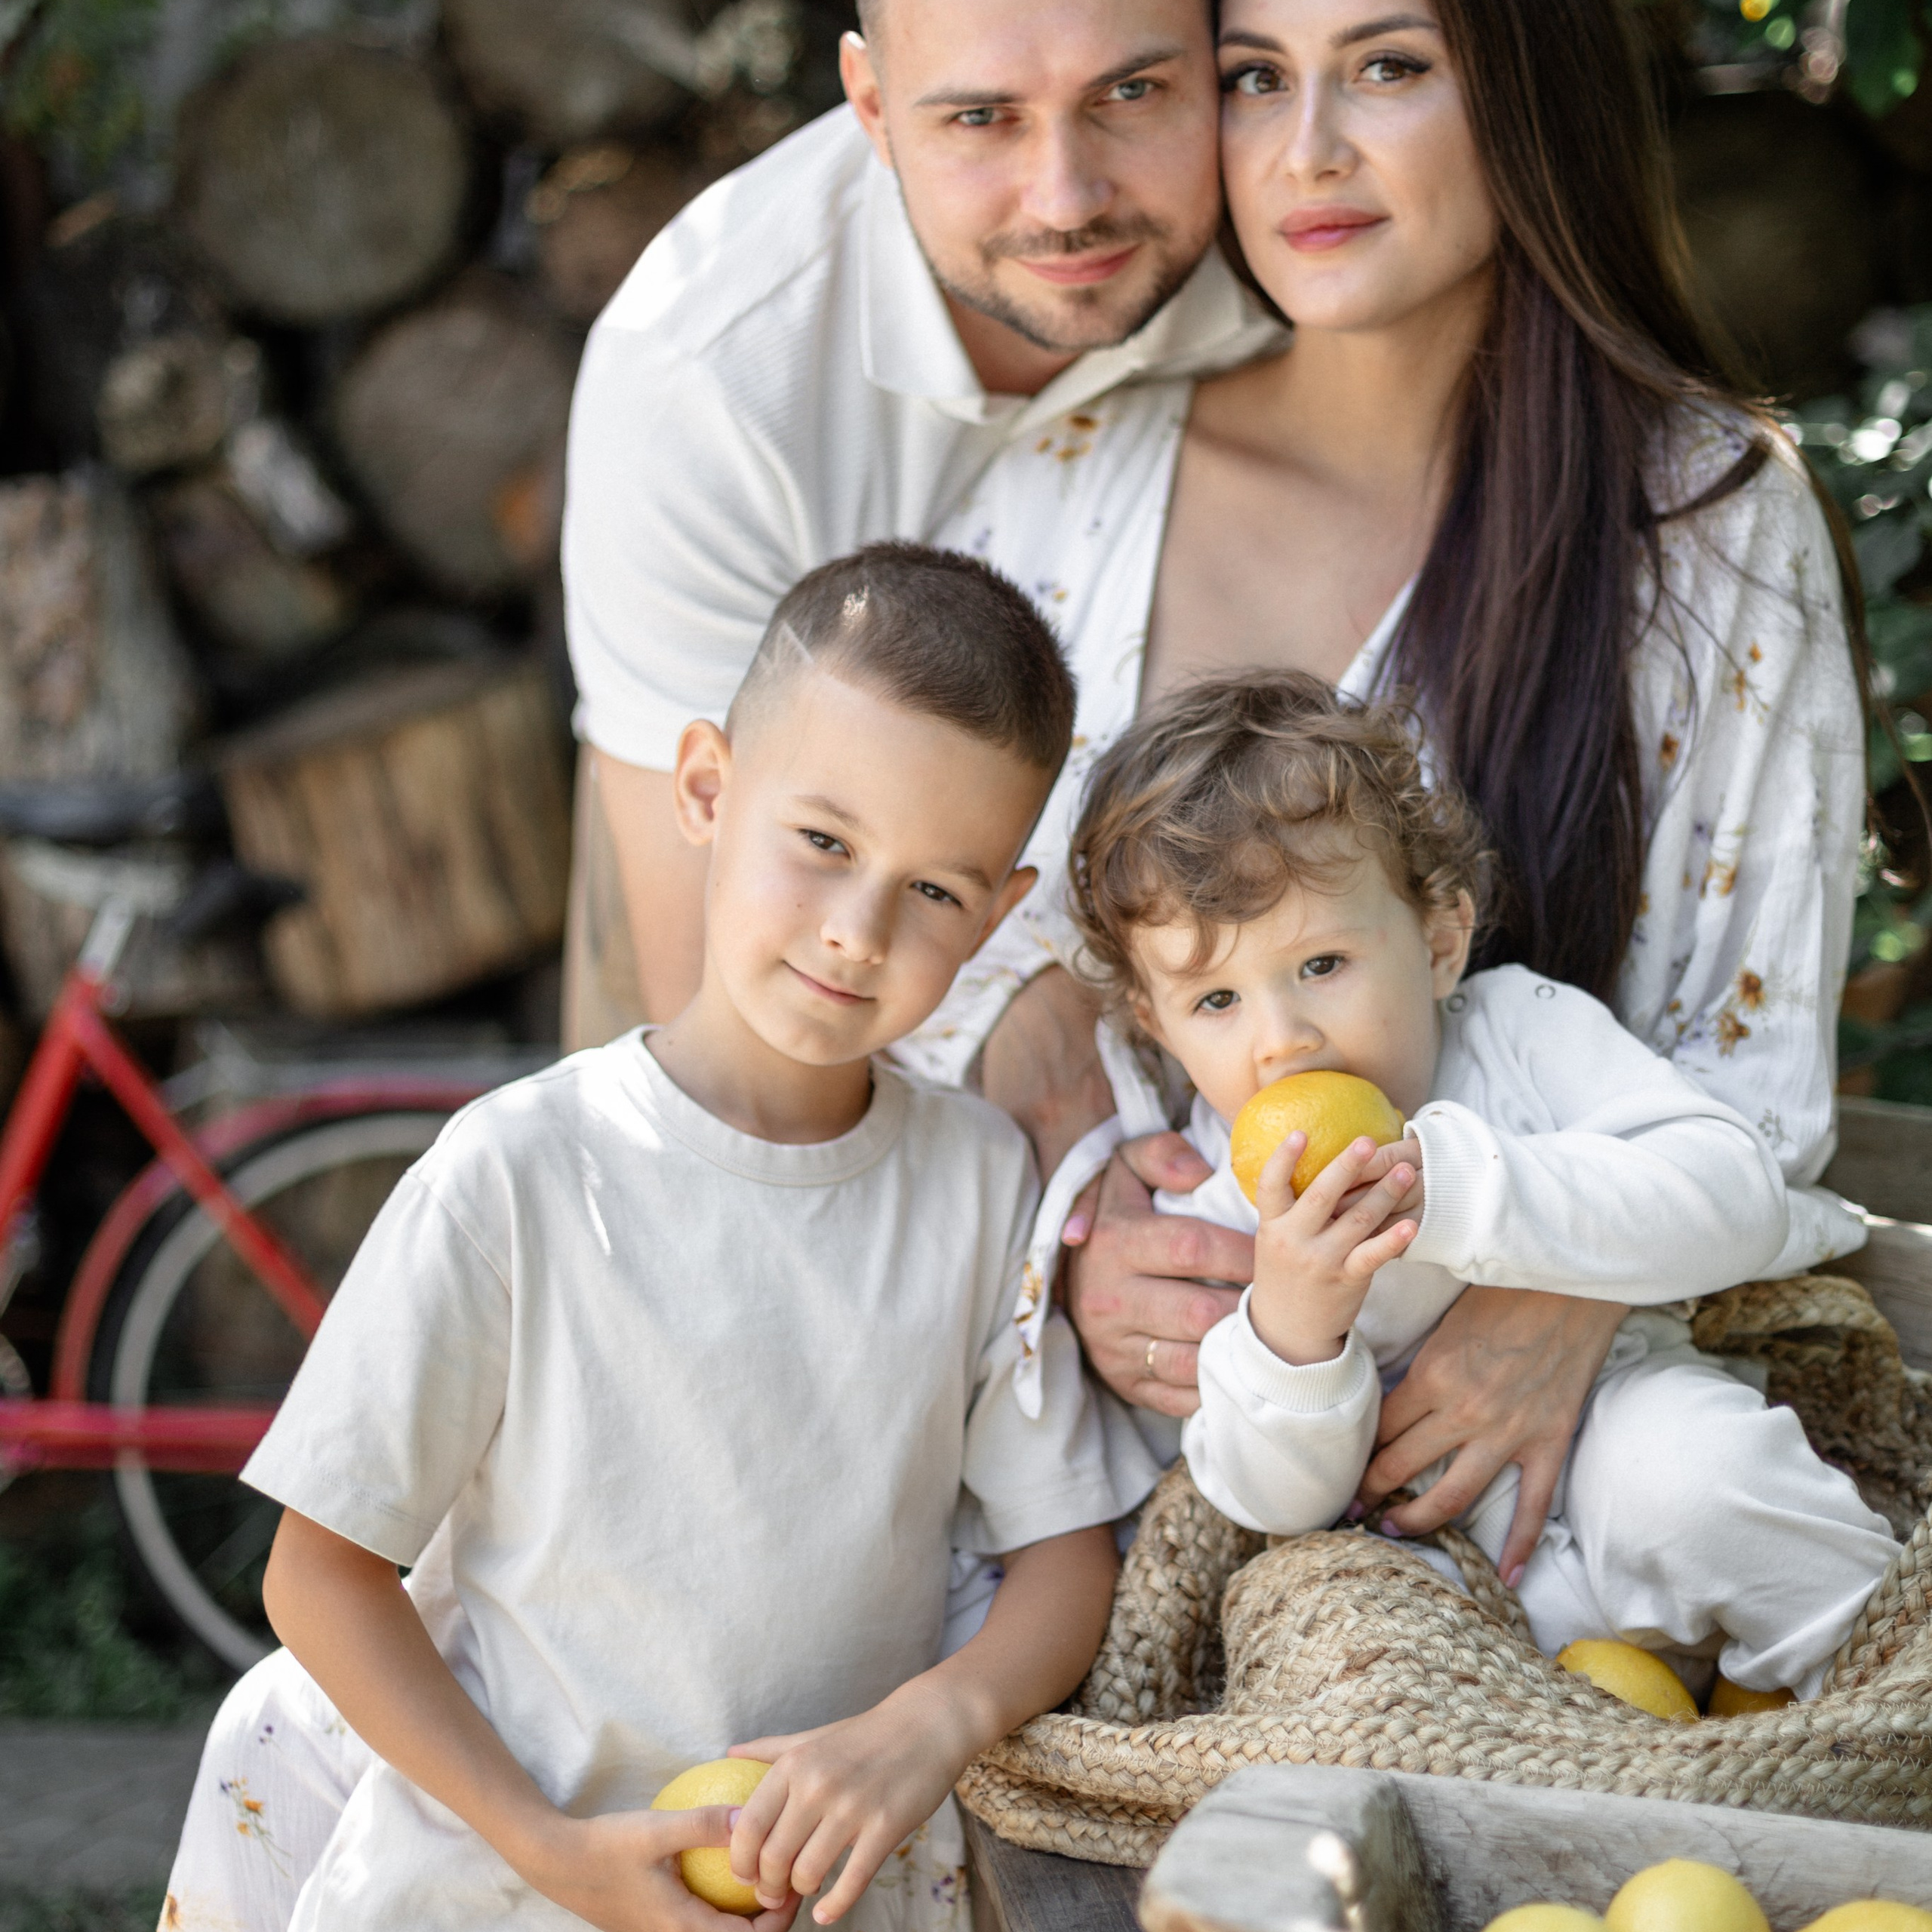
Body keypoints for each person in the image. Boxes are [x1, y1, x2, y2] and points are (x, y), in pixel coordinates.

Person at [903, 0, 1875, 1589]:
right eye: (1252, 79)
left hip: (1555, 1458)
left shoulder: (1698, 520)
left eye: (1388, 67)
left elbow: (1745, 1080)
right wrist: (1075, 1244)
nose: (1307, 152)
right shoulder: (1070, 479)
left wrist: (1544, 1301)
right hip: (1130, 1460)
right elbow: (939, 980)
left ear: (1525, 90)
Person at [160, 546, 1131, 1932]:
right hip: (506, 1878)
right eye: (824, 844)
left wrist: (928, 1727)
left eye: (936, 893)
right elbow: (320, 1575)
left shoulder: (980, 1184)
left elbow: (1064, 1556)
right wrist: (546, 1847)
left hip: (827, 1892)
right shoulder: (519, 1176)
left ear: (1002, 908)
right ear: (705, 790)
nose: (858, 933)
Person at [1024, 672, 1895, 1700]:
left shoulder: (1525, 1034)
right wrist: (1294, 1337)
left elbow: (1732, 1193)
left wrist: (1459, 1194)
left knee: (1701, 1482)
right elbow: (1265, 1497)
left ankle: (1885, 1715)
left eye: (1321, 964)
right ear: (1157, 1026)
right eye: (1215, 998)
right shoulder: (1217, 1198)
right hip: (1430, 1566)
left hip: (1616, 1427)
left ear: (1438, 942)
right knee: (1342, 1657)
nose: (1281, 1041)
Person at [561, 0, 1281, 1051]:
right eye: (984, 118)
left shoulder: (1310, 237)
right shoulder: (706, 382)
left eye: (1131, 93)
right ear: (873, 107)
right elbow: (722, 1005)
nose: (1068, 198)